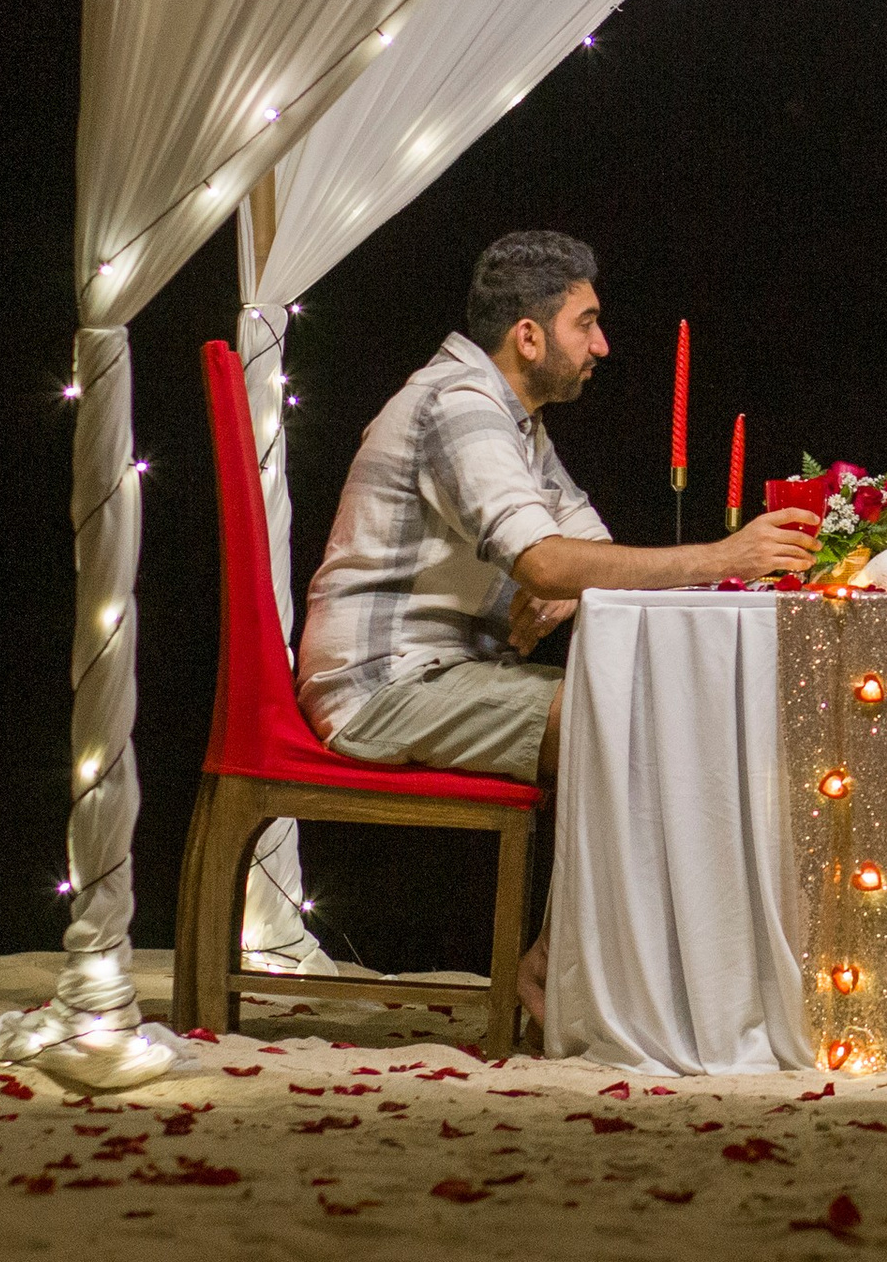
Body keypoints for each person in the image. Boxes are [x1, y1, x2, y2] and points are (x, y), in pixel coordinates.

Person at [295, 230, 818, 1018]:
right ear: (529, 335)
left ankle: (586, 967)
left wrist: (564, 582)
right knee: (625, 715)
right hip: (383, 683)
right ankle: (566, 971)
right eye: (587, 323)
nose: (602, 345)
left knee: (647, 707)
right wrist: (719, 553)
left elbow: (583, 551)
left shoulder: (516, 420)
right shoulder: (460, 405)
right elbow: (545, 559)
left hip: (447, 669)